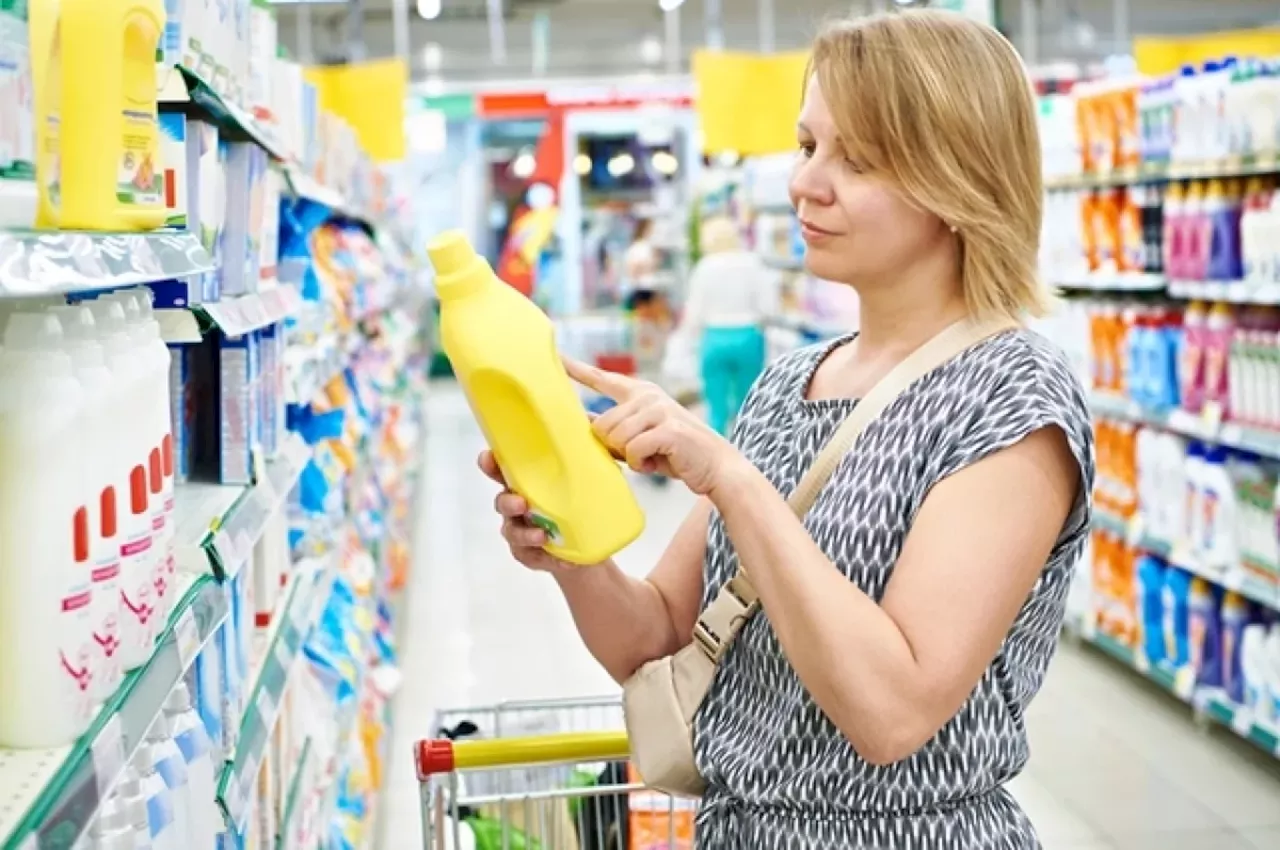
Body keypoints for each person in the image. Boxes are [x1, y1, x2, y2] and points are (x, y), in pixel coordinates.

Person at [480, 10, 1092, 849]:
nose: (806, 184)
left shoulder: (1010, 397)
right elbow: (655, 635)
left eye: (859, 159)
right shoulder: (785, 383)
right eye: (808, 147)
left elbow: (893, 711)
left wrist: (730, 478)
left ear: (957, 180)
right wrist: (568, 549)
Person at [679, 216, 776, 436]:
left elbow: (694, 312)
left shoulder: (705, 267)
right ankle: (749, 453)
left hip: (714, 337)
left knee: (716, 407)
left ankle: (717, 456)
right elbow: (768, 307)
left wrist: (688, 339)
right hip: (748, 336)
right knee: (748, 403)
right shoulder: (752, 263)